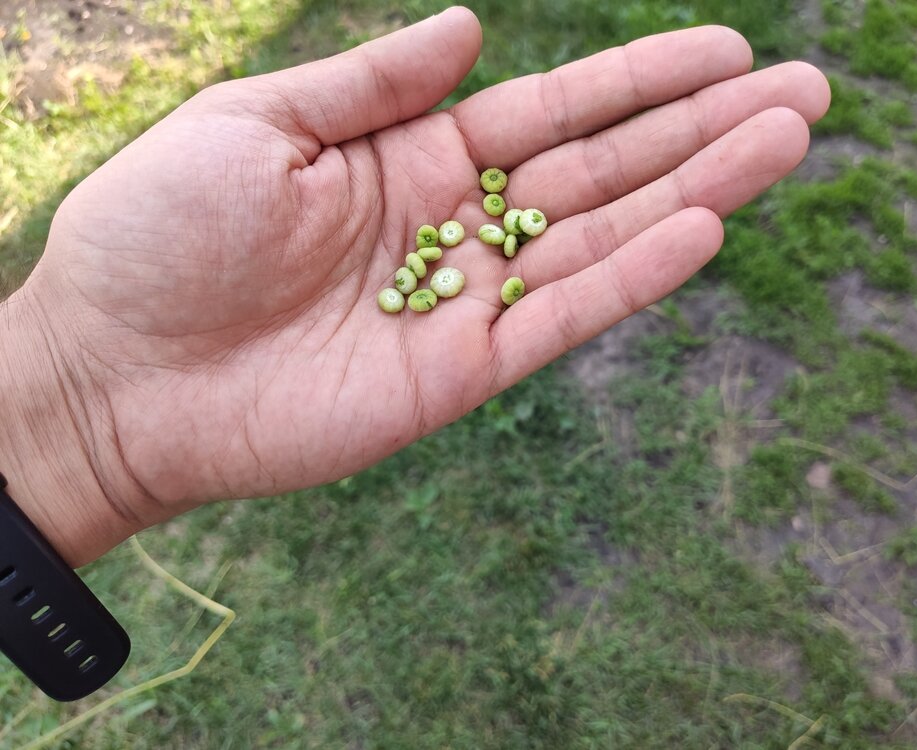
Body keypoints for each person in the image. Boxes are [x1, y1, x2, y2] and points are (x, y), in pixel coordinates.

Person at [0, 7, 830, 569]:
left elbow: (452, 258)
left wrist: (74, 415)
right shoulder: (443, 246)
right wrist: (75, 398)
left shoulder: (458, 242)